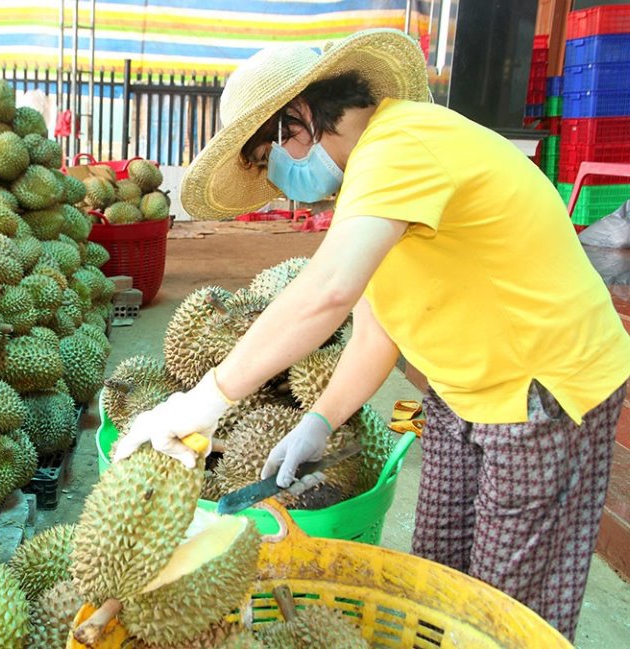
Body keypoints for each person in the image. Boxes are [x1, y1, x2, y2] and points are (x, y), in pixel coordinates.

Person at [113, 29, 630, 641]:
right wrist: (322, 421)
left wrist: (206, 399)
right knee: (436, 572)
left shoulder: (403, 145)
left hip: (544, 388)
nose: (279, 185)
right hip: (461, 388)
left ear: (295, 122)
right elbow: (373, 333)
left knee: (506, 603)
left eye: (266, 163)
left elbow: (328, 291)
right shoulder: (372, 181)